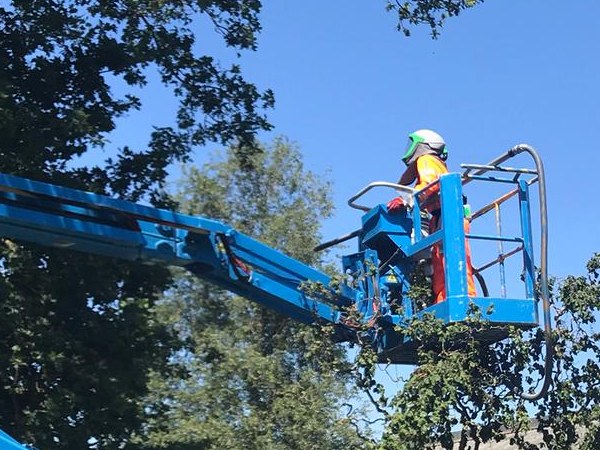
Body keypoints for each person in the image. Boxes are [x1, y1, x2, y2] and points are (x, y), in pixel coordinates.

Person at [387, 129, 476, 303]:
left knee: (455, 261)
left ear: (422, 145)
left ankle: (466, 299)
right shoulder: (431, 162)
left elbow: (429, 184)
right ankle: (443, 298)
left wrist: (407, 200)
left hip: (451, 216)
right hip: (440, 217)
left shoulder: (426, 160)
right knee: (439, 261)